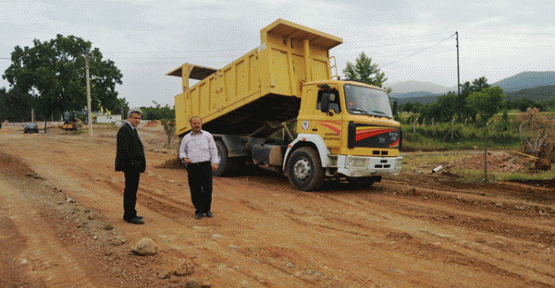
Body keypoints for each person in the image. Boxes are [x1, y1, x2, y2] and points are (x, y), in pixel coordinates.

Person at [179, 116, 219, 219]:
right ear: (191, 124)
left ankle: (207, 209)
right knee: (195, 189)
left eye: (198, 123)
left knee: (207, 189)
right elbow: (182, 151)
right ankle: (199, 211)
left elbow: (213, 149)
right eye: (194, 123)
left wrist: (215, 162)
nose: (197, 125)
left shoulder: (207, 135)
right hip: (192, 167)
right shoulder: (186, 138)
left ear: (201, 124)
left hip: (205, 165)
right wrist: (184, 158)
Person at [115, 108, 146, 224]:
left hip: (134, 166)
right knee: (130, 191)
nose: (137, 120)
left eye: (139, 118)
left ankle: (132, 212)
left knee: (132, 190)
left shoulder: (132, 129)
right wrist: (132, 164)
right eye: (135, 118)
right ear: (128, 118)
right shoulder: (124, 130)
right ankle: (129, 215)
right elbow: (124, 150)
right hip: (130, 166)